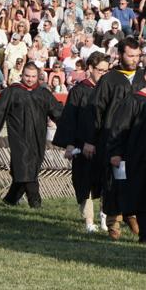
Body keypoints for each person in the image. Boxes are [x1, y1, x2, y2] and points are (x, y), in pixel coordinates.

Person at [83, 38, 145, 240]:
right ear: (120, 54)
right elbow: (97, 112)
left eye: (137, 56)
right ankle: (113, 222)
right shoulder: (109, 79)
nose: (134, 59)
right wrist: (91, 140)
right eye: (130, 55)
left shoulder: (144, 77)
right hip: (113, 138)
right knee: (114, 181)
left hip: (138, 139)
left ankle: (132, 215)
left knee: (136, 180)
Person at [0, 62, 63, 208]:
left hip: (38, 138)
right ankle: (35, 203)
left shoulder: (43, 93)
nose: (30, 79)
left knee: (25, 170)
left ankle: (10, 200)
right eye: (27, 76)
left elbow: (58, 112)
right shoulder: (12, 92)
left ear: (38, 76)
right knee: (25, 167)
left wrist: (71, 128)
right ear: (22, 75)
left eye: (33, 76)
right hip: (19, 137)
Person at [104, 61, 146, 243]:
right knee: (139, 194)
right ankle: (141, 231)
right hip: (137, 156)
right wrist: (115, 152)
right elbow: (120, 127)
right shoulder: (134, 100)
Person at [53, 52, 110, 233]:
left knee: (106, 184)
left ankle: (105, 219)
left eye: (106, 70)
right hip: (82, 146)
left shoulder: (110, 91)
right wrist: (71, 144)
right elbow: (70, 120)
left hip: (105, 146)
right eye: (100, 70)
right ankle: (89, 222)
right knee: (84, 183)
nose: (103, 73)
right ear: (90, 69)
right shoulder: (78, 91)